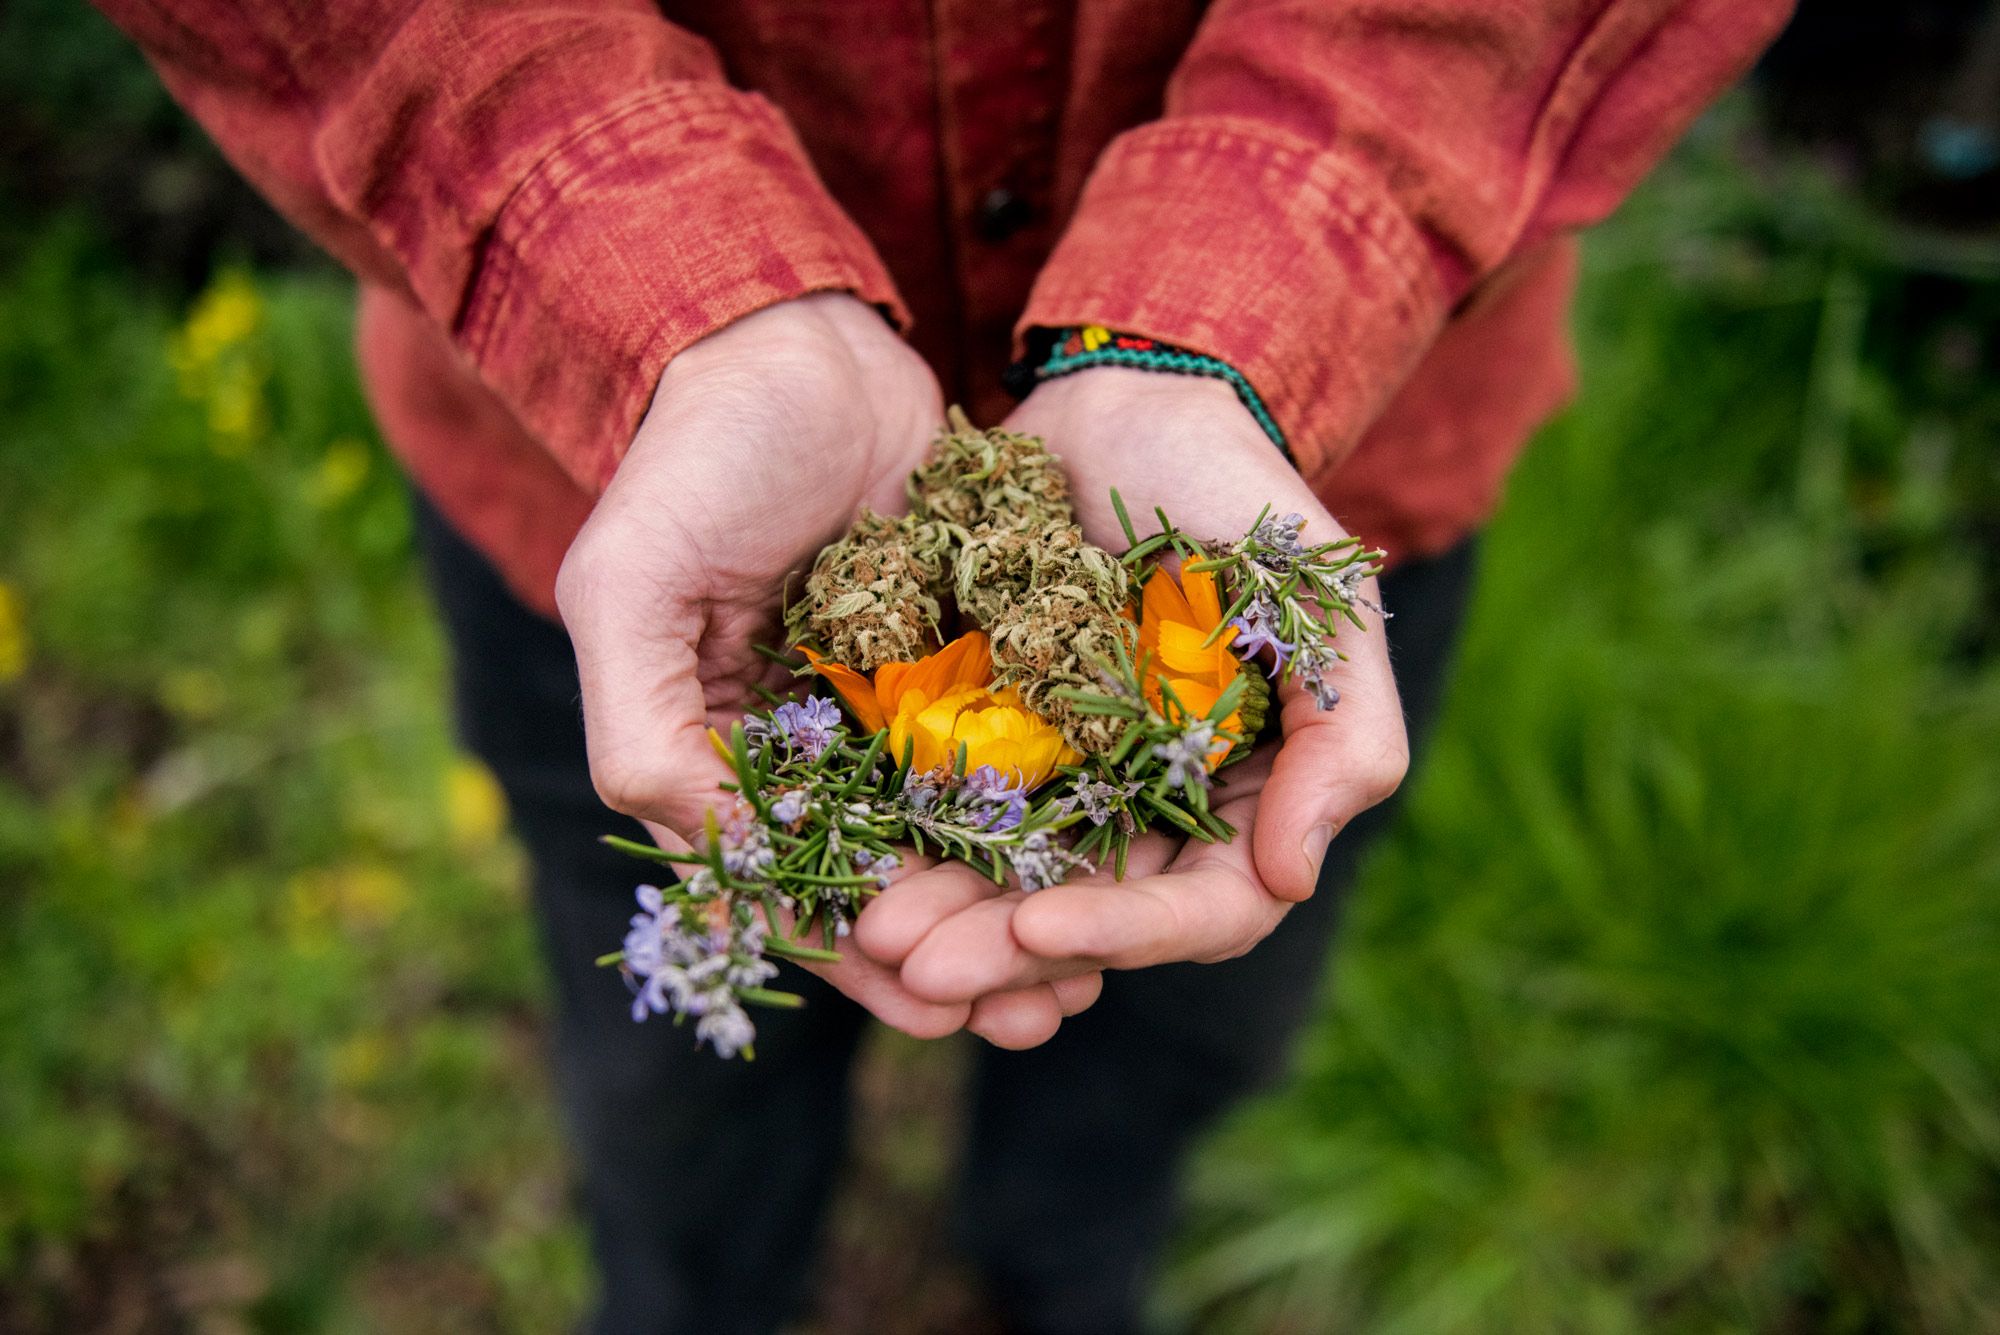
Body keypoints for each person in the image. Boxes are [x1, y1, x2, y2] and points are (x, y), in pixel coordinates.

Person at [99, 3, 1795, 1331]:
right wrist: (670, 294)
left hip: (1313, 472)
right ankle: (698, 1298)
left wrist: (1238, 302)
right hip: (651, 532)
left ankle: (1061, 1283)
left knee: (1185, 1020)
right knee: (685, 1077)